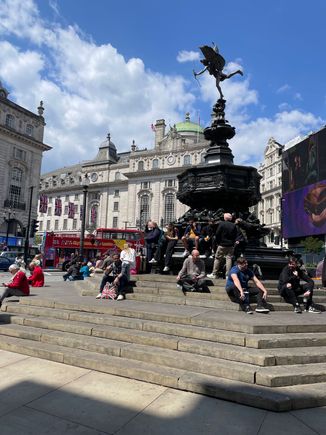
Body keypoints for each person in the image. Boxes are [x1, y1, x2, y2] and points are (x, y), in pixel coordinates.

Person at [207, 213, 240, 279]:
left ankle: (214, 273)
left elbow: (217, 234)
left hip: (222, 244)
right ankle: (228, 275)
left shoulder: (221, 224)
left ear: (225, 218)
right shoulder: (233, 225)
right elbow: (235, 235)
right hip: (230, 245)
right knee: (229, 259)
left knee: (218, 258)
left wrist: (218, 242)